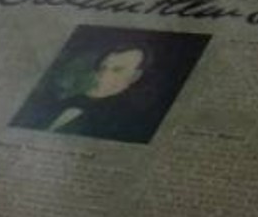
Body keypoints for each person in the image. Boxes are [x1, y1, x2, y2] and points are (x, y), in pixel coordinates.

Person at [12, 44, 156, 143]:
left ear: (135, 76)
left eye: (117, 70)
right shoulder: (68, 101)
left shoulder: (130, 119)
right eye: (102, 67)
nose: (103, 75)